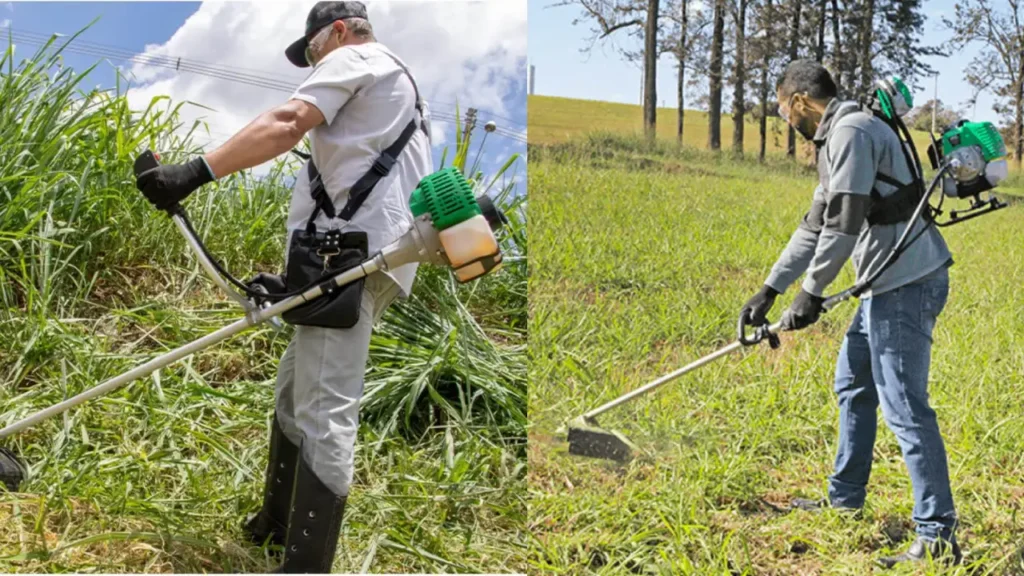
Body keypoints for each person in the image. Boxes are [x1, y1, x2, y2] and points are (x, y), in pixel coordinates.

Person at [134, 2, 432, 572]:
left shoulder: (361, 57)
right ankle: (274, 525)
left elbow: (286, 122)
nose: (310, 64)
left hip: (355, 260)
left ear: (338, 31)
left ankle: (304, 565)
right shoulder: (386, 86)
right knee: (294, 399)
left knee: (324, 412)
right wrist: (294, 280)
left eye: (312, 49)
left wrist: (193, 171)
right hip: (343, 261)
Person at [739, 59, 960, 568]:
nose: (783, 118)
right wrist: (770, 290)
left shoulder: (853, 132)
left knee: (906, 408)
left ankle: (938, 539)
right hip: (881, 287)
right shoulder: (836, 137)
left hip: (906, 285)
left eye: (780, 108)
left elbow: (843, 224)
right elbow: (815, 223)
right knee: (853, 385)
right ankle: (844, 500)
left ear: (798, 102)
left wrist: (811, 293)